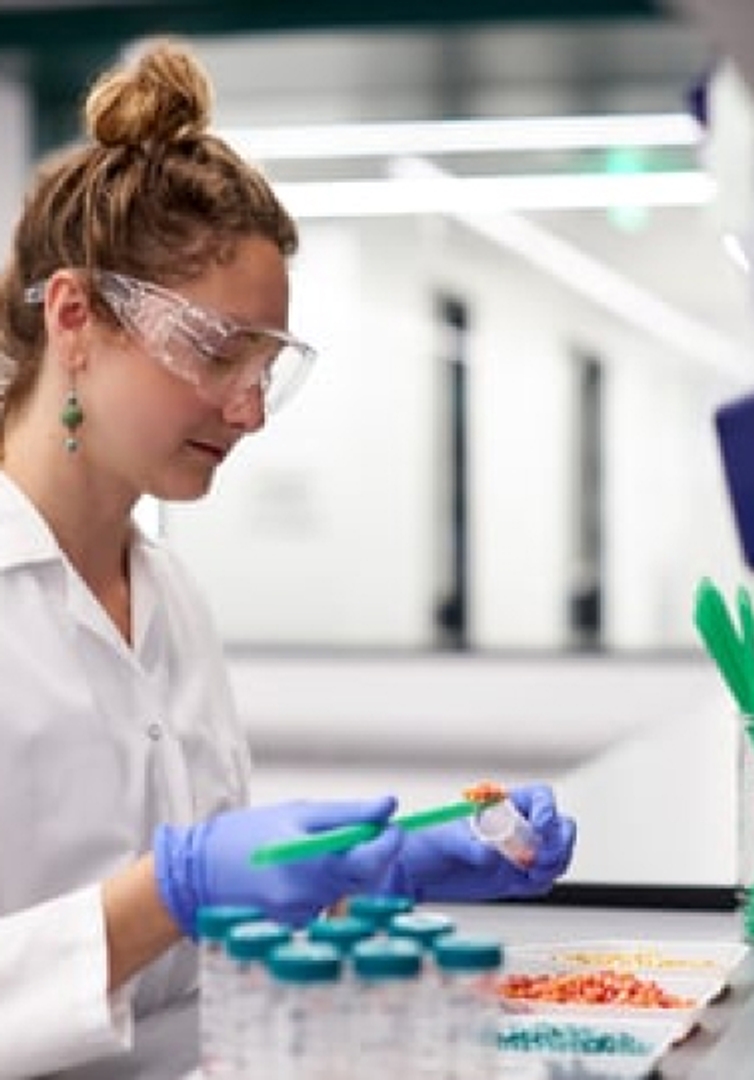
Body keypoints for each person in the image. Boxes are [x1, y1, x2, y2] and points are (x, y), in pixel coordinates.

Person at [0, 38, 576, 1080]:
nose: (251, 410)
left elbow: (207, 945)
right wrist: (166, 890)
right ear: (77, 318)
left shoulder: (168, 597)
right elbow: (164, 907)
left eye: (266, 366)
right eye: (219, 351)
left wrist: (367, 875)